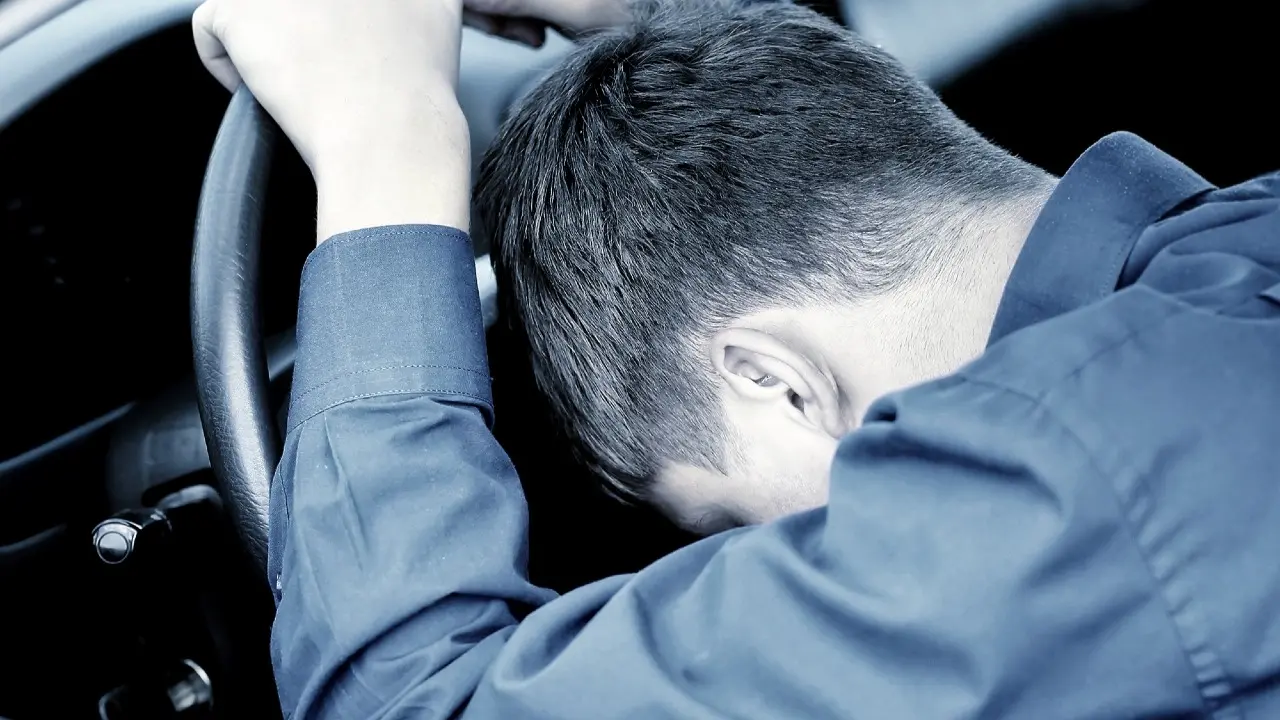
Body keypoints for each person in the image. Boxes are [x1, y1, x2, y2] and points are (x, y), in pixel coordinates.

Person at [194, 0, 1280, 718]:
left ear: (774, 381)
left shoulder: (1061, 492)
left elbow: (416, 705)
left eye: (730, 530)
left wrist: (384, 141)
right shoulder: (1235, 264)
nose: (763, 569)